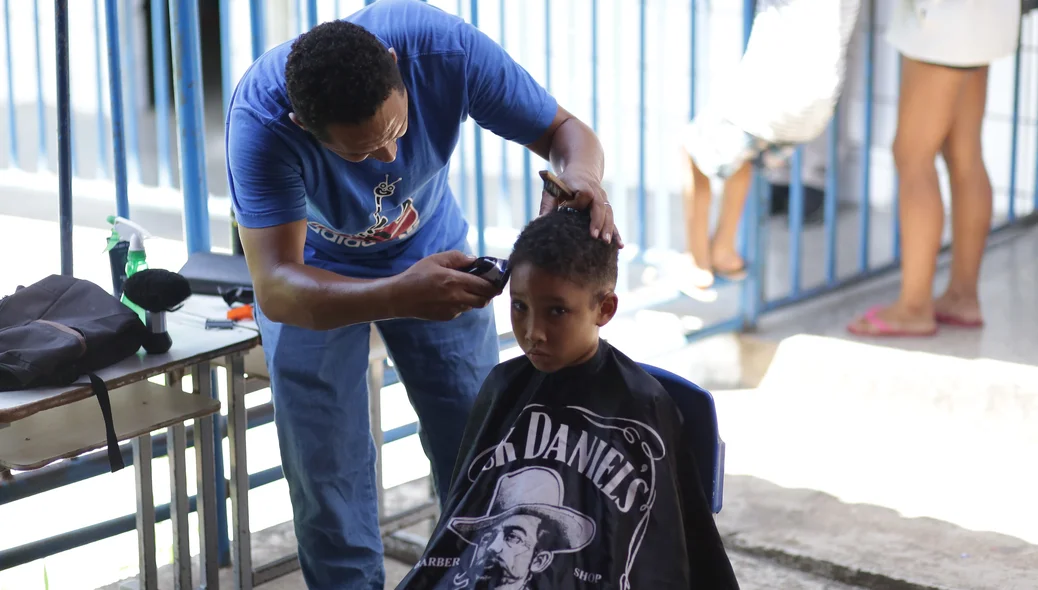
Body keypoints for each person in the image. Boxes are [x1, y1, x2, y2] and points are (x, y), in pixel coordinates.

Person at [224, 0, 617, 587]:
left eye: (396, 130)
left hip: (430, 247)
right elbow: (278, 289)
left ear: (394, 67)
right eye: (360, 151)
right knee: (325, 470)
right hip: (313, 274)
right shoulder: (261, 122)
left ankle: (474, 579)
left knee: (476, 443)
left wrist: (581, 177)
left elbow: (566, 132)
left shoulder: (444, 50)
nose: (388, 158)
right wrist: (398, 295)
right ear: (305, 128)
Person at [397, 209, 740, 589]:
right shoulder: (502, 386)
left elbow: (657, 554)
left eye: (556, 311)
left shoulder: (642, 405)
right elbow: (464, 513)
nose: (532, 333)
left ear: (604, 309)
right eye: (519, 306)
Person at [848, 0, 1021, 336]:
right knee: (964, 151)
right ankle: (962, 296)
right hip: (988, 14)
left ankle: (913, 307)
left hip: (943, 14)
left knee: (912, 154)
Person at [678, 0, 862, 291]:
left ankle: (696, 261)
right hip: (819, 104)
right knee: (741, 148)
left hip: (779, 93)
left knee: (692, 147)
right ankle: (725, 251)